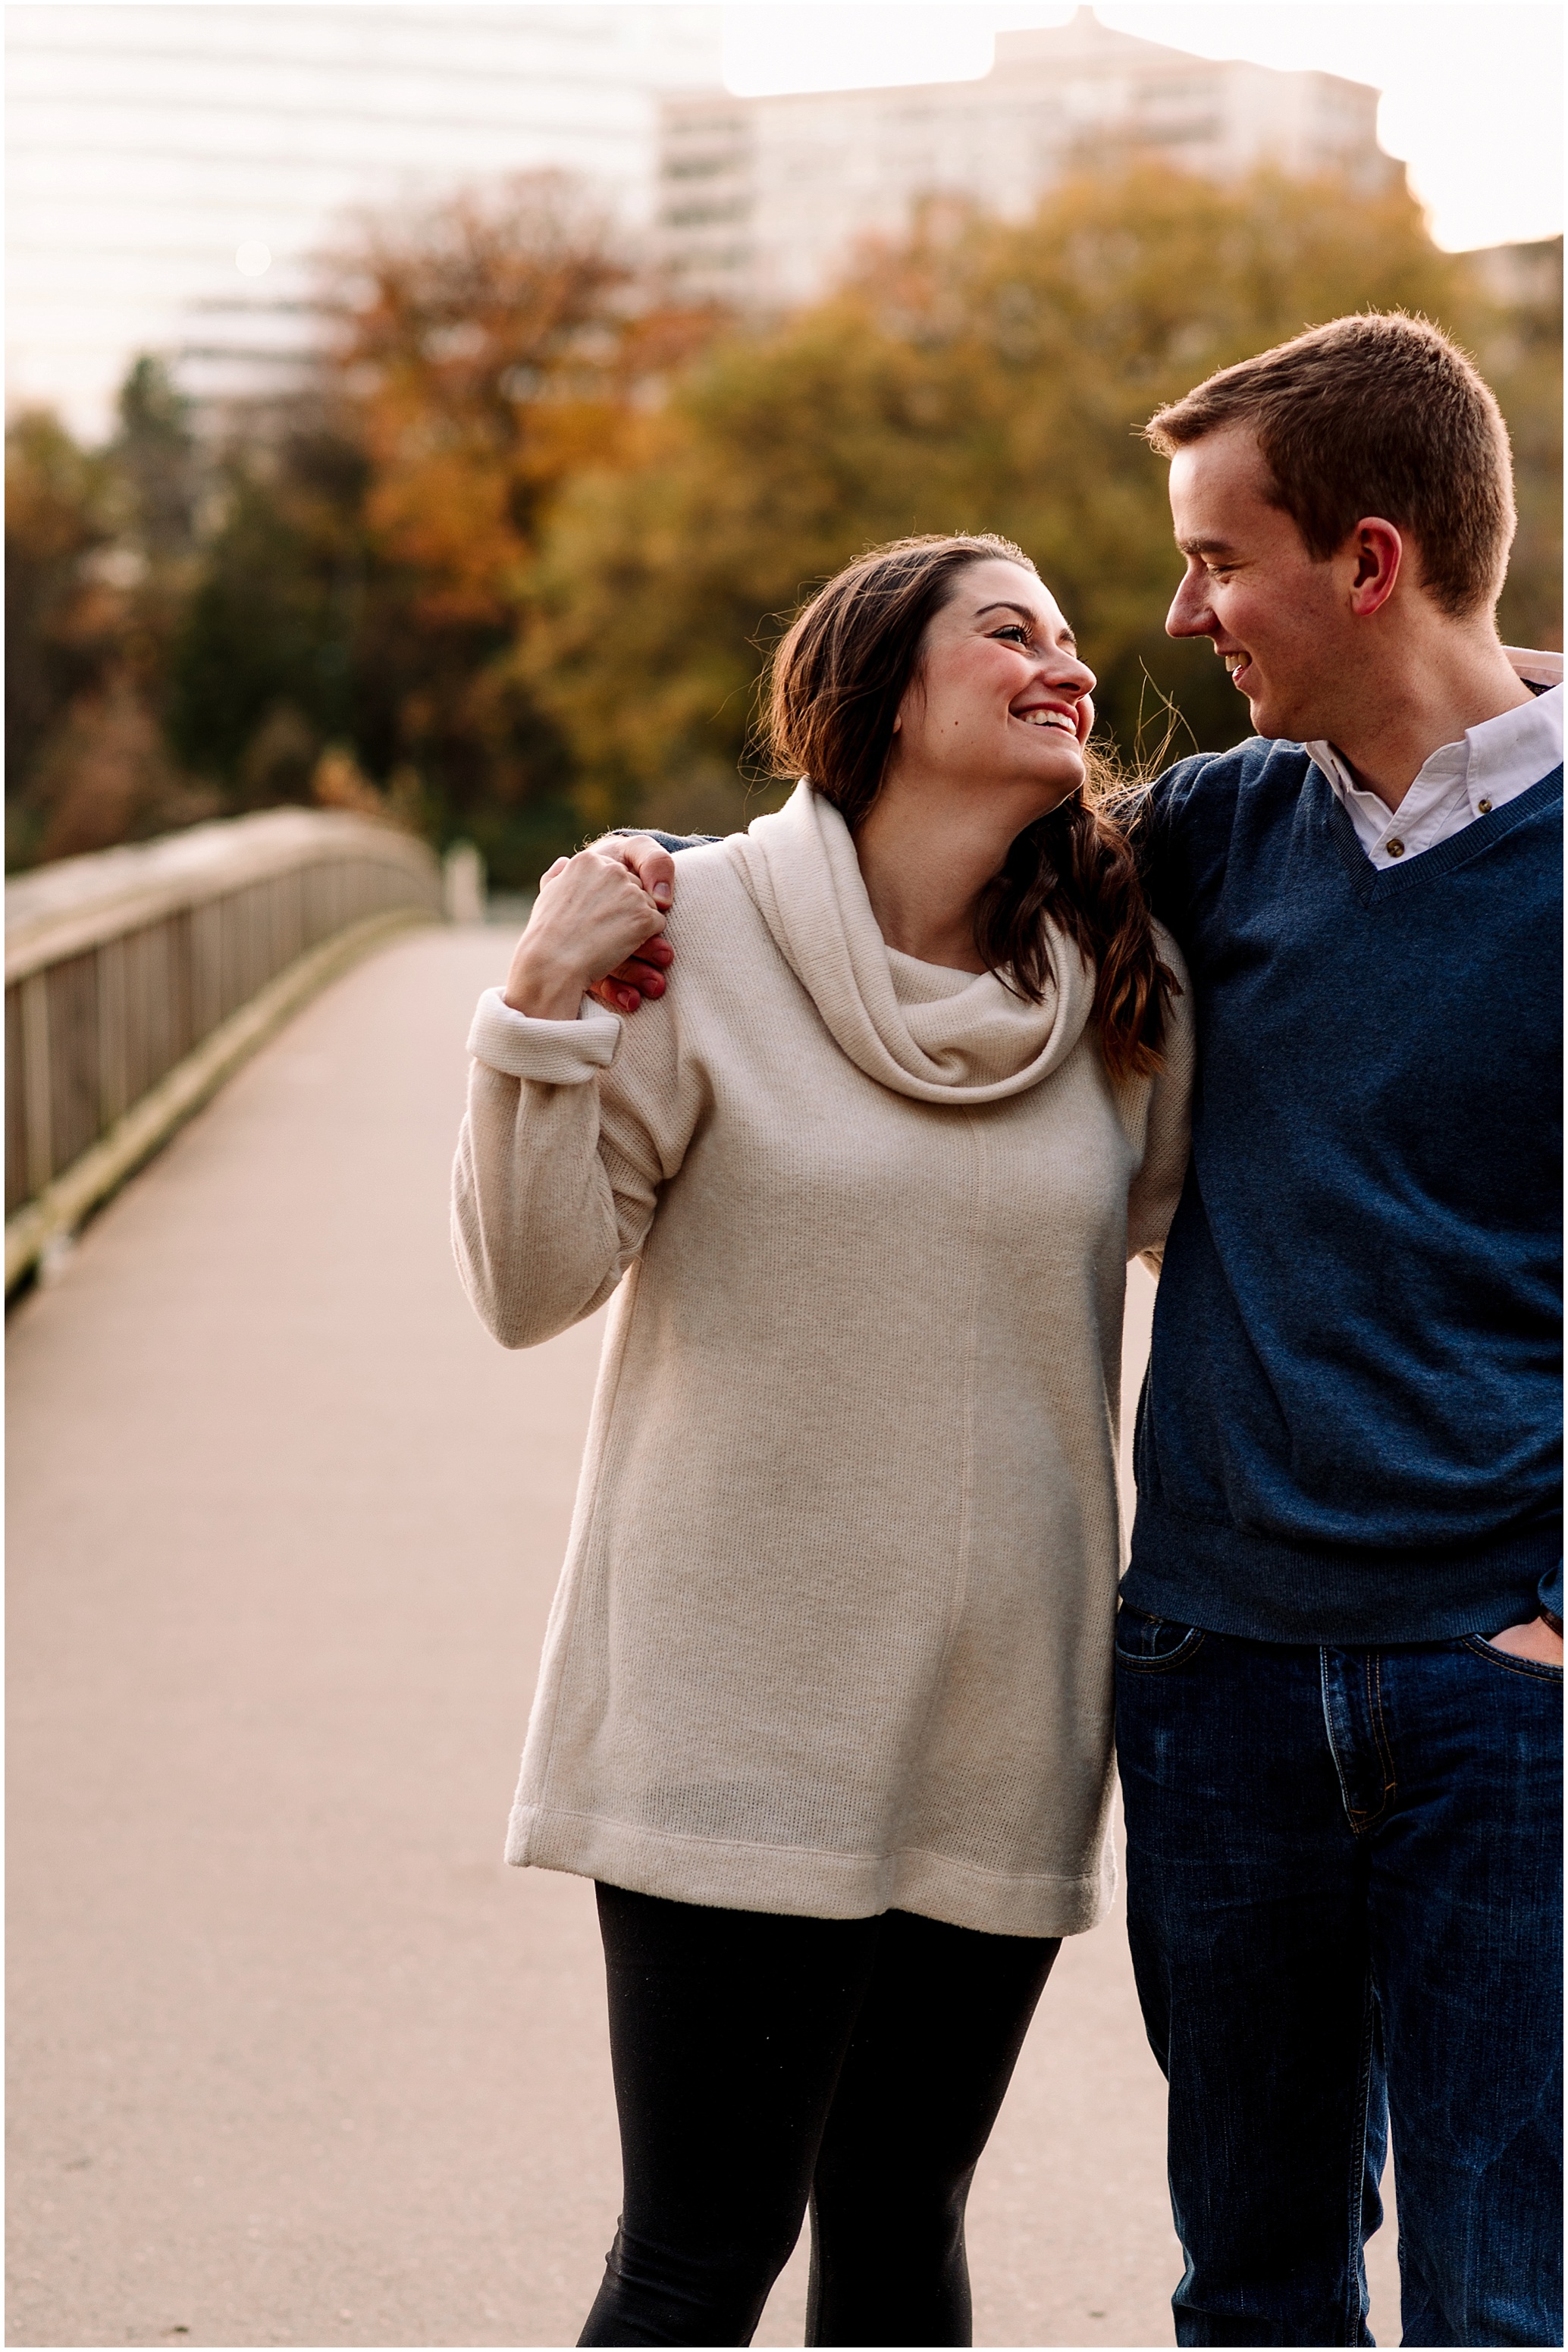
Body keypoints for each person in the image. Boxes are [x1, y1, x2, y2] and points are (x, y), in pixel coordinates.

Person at [587, 315, 1563, 2349]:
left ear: (1366, 566)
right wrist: (614, 909)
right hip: (1211, 1674)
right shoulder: (1212, 832)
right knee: (1254, 2274)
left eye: (1214, 559)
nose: (1173, 610)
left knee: (1502, 2287)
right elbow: (898, 865)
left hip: (1504, 1678)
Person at [453, 532, 1193, 2348]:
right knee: (700, 2255)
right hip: (735, 1714)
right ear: (877, 688)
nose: (1069, 665)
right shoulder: (683, 941)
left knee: (898, 2232)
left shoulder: (1119, 982)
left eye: (1074, 640)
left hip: (1000, 1718)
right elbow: (531, 1285)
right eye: (1009, 630)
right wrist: (537, 1000)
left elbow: (1237, 1249)